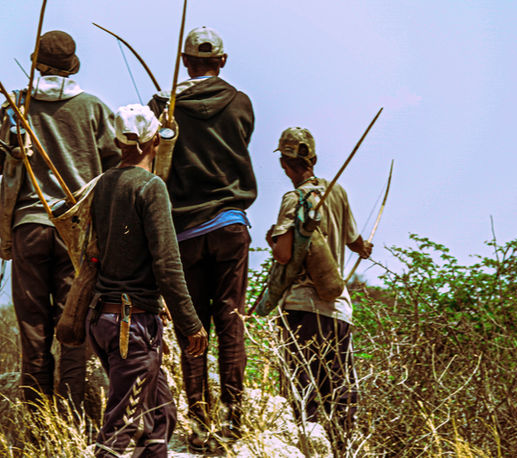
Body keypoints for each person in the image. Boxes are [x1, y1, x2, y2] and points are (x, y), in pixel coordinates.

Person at [0, 30, 120, 415]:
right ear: (72, 66)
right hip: (75, 231)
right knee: (73, 322)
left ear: (37, 64)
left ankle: (39, 419)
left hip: (28, 227)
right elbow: (116, 167)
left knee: (33, 327)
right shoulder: (94, 108)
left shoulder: (15, 107)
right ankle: (71, 416)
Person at [148, 26, 257, 450]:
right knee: (231, 318)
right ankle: (232, 417)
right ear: (222, 61)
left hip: (187, 231)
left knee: (192, 325)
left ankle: (199, 422)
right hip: (230, 224)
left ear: (184, 61)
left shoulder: (165, 107)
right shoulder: (242, 103)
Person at [88, 104, 208, 457]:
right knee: (121, 429)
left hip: (104, 321)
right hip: (133, 326)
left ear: (116, 142)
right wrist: (191, 324)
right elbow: (167, 264)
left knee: (159, 419)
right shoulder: (151, 187)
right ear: (155, 140)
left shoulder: (104, 184)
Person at [265, 127, 373, 448]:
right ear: (313, 159)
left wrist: (272, 239)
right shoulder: (337, 193)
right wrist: (364, 247)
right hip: (338, 310)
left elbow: (284, 254)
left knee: (302, 398)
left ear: (284, 164)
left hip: (301, 309)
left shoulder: (293, 199)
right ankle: (341, 449)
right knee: (339, 394)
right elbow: (356, 243)